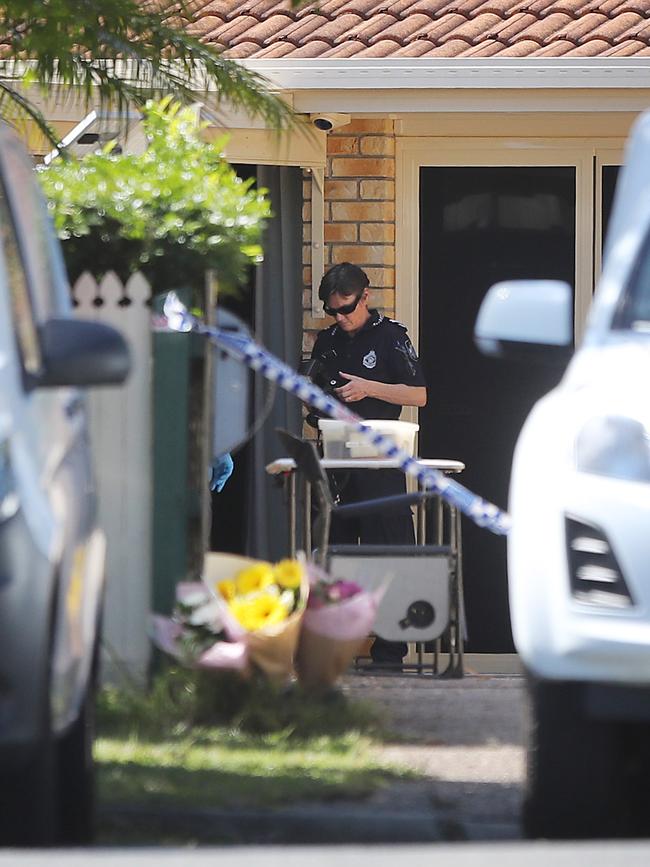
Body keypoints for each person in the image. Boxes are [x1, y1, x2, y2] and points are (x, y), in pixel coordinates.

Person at [311, 262, 427, 667]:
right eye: (333, 312)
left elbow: (418, 395)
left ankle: (391, 652)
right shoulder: (327, 341)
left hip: (380, 458)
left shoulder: (391, 337)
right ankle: (332, 647)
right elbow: (312, 391)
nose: (341, 319)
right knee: (334, 554)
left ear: (366, 297)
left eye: (347, 309)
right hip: (338, 457)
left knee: (389, 550)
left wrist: (367, 388)